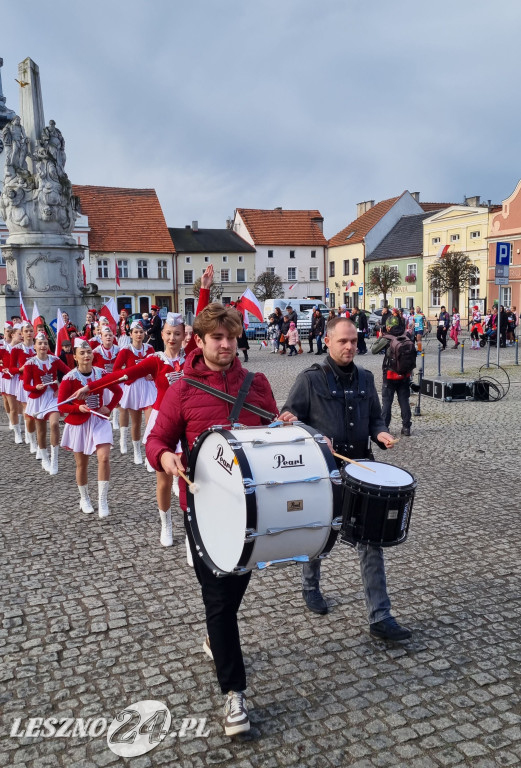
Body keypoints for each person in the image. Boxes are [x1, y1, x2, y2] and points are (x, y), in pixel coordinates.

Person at [146, 303, 278, 736]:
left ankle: (213, 639)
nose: (225, 345)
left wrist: (285, 426)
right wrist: (165, 457)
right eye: (217, 338)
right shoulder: (182, 389)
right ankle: (234, 693)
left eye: (231, 337)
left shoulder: (257, 384)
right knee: (218, 599)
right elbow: (156, 440)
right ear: (199, 341)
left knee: (234, 587)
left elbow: (271, 436)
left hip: (250, 510)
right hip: (202, 510)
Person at [279, 316, 411, 641]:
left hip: (362, 470)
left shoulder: (366, 377)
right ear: (327, 341)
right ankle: (310, 586)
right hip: (323, 472)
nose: (350, 346)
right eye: (343, 341)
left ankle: (380, 616)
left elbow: (376, 418)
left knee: (371, 542)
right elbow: (289, 419)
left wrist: (380, 433)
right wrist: (306, 430)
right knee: (319, 533)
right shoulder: (310, 379)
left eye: (353, 340)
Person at [58, 340, 123, 517]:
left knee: (104, 458)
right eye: (82, 353)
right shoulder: (69, 378)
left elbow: (118, 391)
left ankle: (102, 500)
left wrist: (109, 407)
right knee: (82, 464)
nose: (86, 355)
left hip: (99, 420)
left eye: (89, 352)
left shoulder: (101, 373)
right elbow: (62, 405)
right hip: (79, 424)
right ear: (75, 357)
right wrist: (77, 408)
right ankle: (84, 498)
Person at [23, 332, 70, 474]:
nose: (43, 346)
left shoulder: (54, 360)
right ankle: (45, 459)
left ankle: (55, 460)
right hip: (38, 399)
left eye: (45, 343)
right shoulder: (30, 363)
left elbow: (69, 373)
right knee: (41, 431)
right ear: (35, 346)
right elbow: (26, 385)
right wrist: (35, 387)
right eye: (40, 343)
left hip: (52, 397)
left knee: (54, 424)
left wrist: (61, 388)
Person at [113, 321, 156, 464]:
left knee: (151, 423)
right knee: (136, 423)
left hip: (148, 388)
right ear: (130, 334)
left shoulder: (150, 349)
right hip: (133, 388)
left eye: (141, 332)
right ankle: (137, 451)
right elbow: (116, 370)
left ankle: (150, 455)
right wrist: (132, 373)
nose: (139, 334)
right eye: (136, 332)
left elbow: (157, 366)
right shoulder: (125, 351)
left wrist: (152, 374)